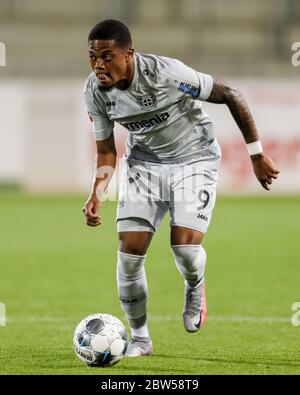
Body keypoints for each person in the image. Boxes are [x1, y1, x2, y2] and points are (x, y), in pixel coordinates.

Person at [82, 19, 280, 357]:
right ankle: (140, 338)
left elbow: (230, 94)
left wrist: (257, 154)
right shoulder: (96, 91)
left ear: (128, 54)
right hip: (144, 165)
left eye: (106, 56)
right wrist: (97, 193)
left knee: (185, 250)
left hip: (194, 159)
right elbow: (106, 151)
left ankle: (195, 285)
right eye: (92, 57)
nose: (99, 65)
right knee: (128, 257)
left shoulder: (167, 75)